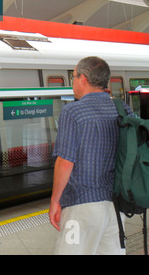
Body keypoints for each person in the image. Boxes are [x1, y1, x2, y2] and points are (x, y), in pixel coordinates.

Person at [49, 56, 132, 255]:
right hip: (117, 208)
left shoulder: (73, 112)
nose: (73, 82)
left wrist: (55, 202)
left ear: (83, 79)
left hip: (82, 207)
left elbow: (65, 162)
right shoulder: (123, 109)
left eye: (74, 77)